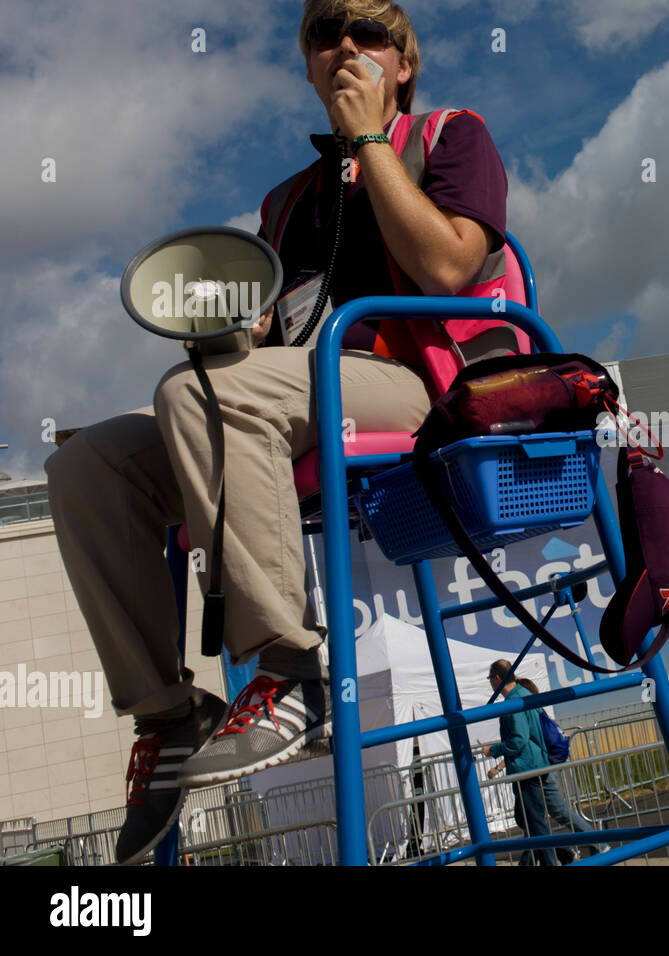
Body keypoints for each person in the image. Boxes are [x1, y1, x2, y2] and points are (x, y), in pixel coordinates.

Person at [43, 0, 516, 864]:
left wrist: (371, 144)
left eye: (368, 34)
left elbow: (449, 263)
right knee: (88, 466)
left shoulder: (451, 135)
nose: (344, 46)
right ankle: (167, 711)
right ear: (304, 67)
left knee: (202, 398)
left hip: (413, 388)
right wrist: (229, 331)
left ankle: (293, 670)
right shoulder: (286, 200)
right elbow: (271, 332)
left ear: (401, 65)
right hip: (293, 389)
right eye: (324, 36)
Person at [482, 660, 557, 865]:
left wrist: (494, 750)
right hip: (536, 763)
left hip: (526, 768)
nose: (490, 683)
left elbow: (518, 739)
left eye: (490, 678)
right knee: (528, 820)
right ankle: (543, 858)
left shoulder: (512, 704)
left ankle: (558, 855)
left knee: (535, 823)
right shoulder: (526, 695)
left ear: (497, 678)